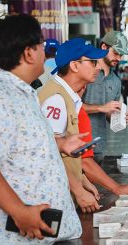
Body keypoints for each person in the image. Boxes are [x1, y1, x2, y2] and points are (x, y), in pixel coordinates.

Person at [0, 14, 83, 245]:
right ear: (28, 53)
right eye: (40, 45)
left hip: (35, 238)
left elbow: (14, 144)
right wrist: (19, 211)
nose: (43, 53)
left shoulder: (20, 91)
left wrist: (58, 144)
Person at [39, 38, 108, 214]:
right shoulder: (55, 99)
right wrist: (78, 190)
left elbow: (65, 155)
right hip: (52, 202)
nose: (98, 67)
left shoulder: (67, 96)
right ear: (74, 66)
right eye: (92, 62)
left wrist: (82, 180)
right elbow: (47, 155)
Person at [77, 86, 128, 195]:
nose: (95, 69)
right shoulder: (62, 97)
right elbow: (83, 161)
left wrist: (117, 118)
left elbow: (109, 112)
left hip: (97, 147)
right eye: (93, 66)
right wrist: (116, 188)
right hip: (81, 157)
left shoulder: (115, 82)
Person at [82, 31, 128, 163]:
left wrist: (117, 116)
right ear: (104, 47)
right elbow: (70, 106)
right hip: (78, 145)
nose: (119, 58)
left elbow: (108, 114)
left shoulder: (116, 82)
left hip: (99, 146)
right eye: (116, 53)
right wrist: (101, 108)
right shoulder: (84, 71)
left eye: (121, 55)